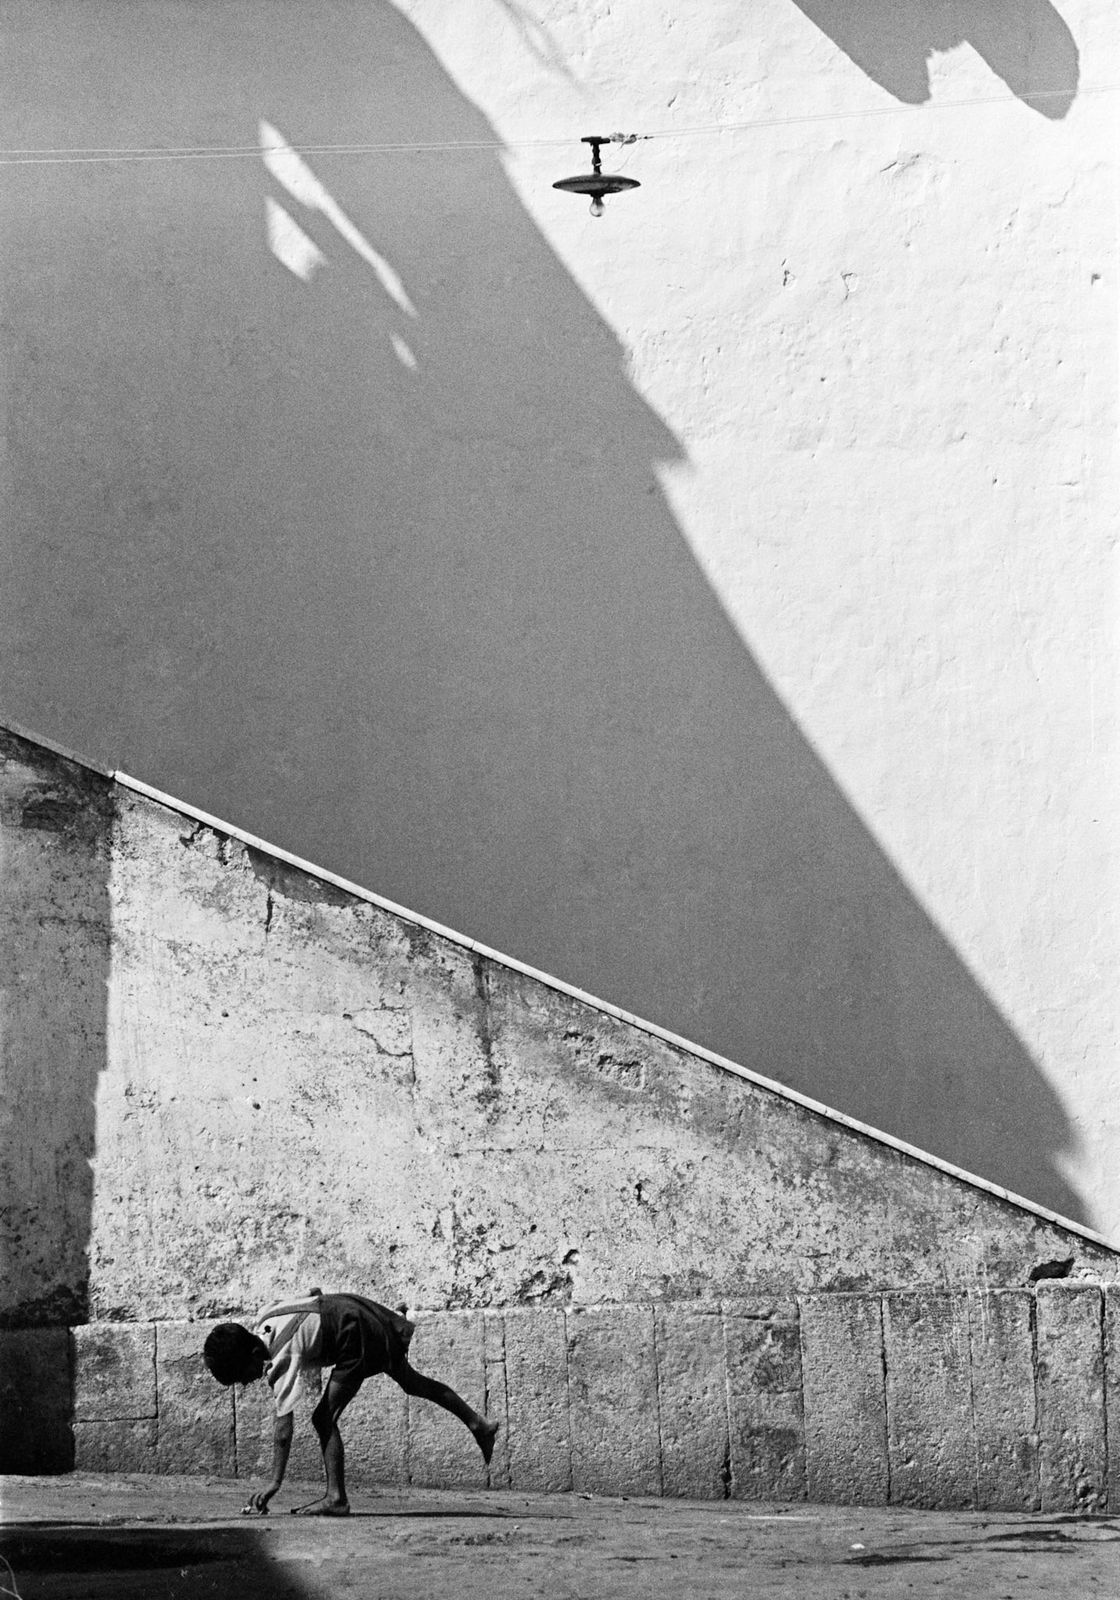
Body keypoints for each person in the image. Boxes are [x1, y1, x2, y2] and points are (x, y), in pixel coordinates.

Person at [203, 1288, 499, 1516]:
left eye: (243, 1376)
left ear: (255, 1355)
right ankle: (479, 1424)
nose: (247, 1383)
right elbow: (312, 1293)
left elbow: (283, 1429)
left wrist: (274, 1483)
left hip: (352, 1334)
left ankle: (336, 1499)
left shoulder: (281, 1355)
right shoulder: (267, 1317)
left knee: (322, 1419)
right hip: (355, 1312)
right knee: (412, 1383)